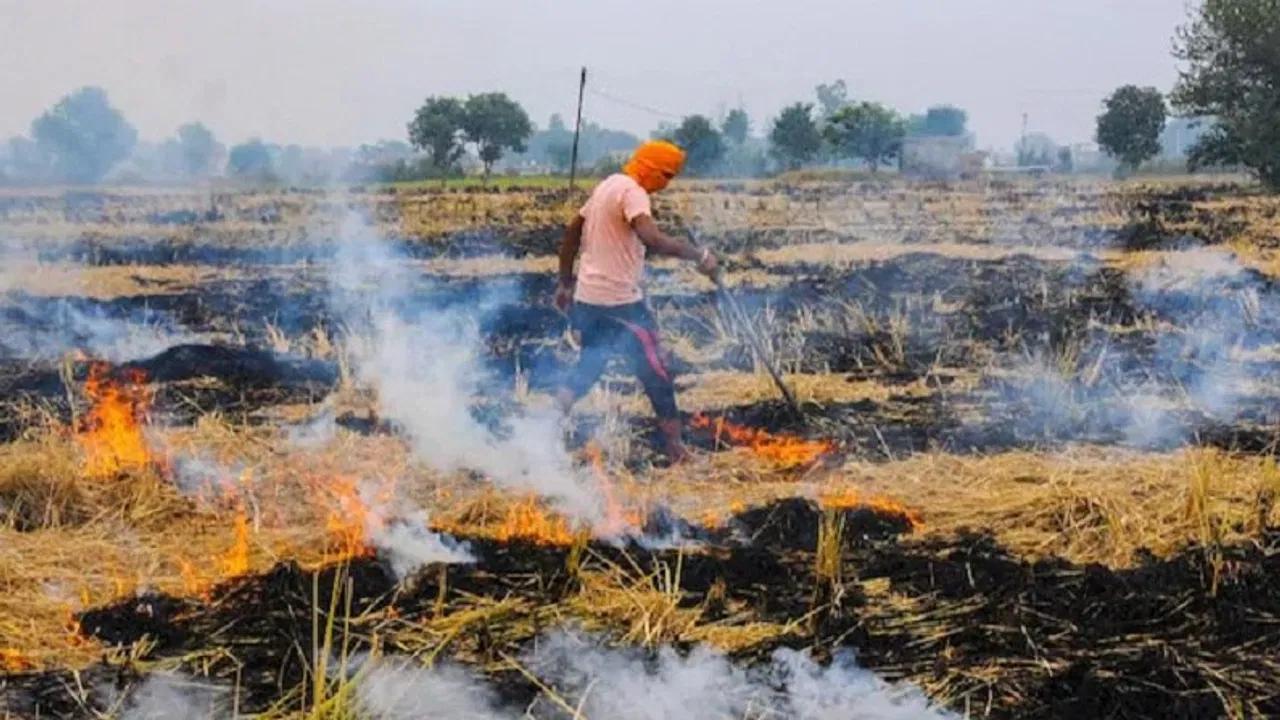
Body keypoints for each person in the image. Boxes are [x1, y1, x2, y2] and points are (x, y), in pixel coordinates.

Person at [553, 140, 718, 463]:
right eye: (666, 175)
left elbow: (573, 232)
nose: (666, 184)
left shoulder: (608, 185)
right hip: (620, 303)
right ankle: (675, 449)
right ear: (651, 169)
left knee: (589, 366)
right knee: (656, 371)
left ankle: (544, 426)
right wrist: (699, 254)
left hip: (588, 299)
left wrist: (565, 281)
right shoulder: (632, 192)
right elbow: (651, 238)